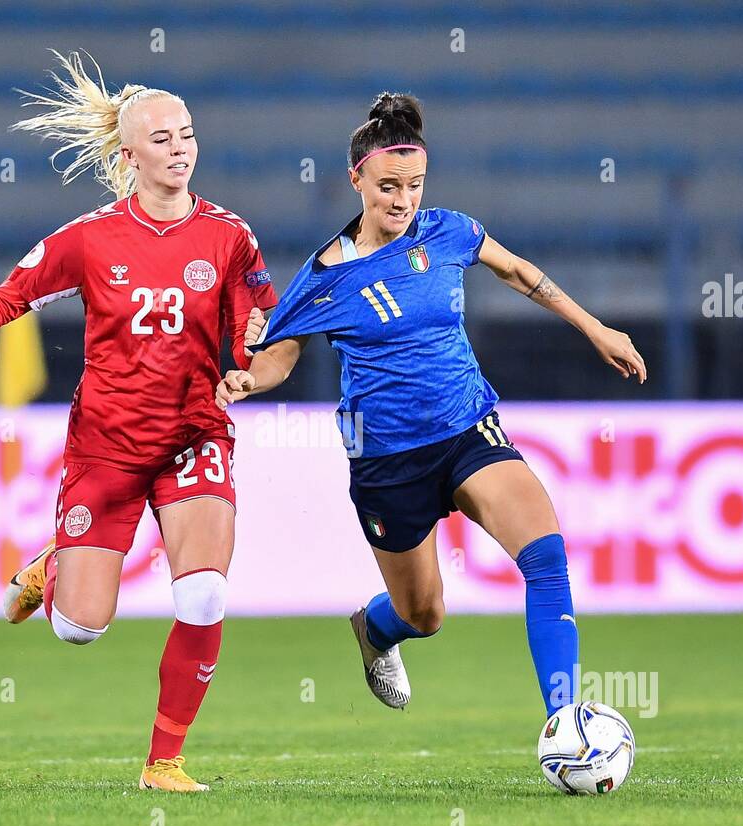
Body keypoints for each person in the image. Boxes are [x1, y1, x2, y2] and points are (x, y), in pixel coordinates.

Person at [0, 52, 277, 791]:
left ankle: (163, 762)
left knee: (204, 593)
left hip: (195, 436)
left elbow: (256, 317)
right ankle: (52, 568)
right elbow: (11, 296)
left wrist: (247, 362)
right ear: (129, 156)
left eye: (187, 134)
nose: (180, 149)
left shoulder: (229, 235)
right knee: (80, 627)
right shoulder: (89, 238)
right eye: (163, 139)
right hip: (107, 446)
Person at [216, 92, 646, 718]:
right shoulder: (325, 278)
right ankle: (375, 629)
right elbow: (279, 356)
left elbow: (517, 271)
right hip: (387, 460)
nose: (403, 200)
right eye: (388, 186)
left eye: (414, 185)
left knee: (546, 556)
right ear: (356, 179)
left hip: (468, 429)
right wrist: (247, 381)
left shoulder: (447, 231)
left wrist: (595, 327)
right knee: (425, 614)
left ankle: (566, 720)